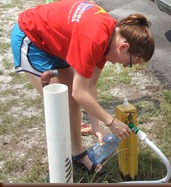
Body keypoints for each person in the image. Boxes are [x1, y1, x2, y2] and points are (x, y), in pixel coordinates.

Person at [10, 0, 154, 174]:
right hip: (32, 37)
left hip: (56, 42)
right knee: (59, 105)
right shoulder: (94, 38)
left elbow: (89, 86)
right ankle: (58, 172)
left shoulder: (108, 38)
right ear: (124, 47)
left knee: (72, 101)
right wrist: (110, 121)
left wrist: (96, 125)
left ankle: (77, 154)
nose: (124, 66)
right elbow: (79, 92)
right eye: (130, 63)